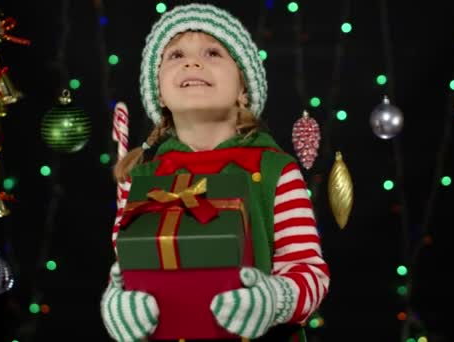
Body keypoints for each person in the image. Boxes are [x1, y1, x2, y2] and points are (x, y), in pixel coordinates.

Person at [100, 3, 330, 341]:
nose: (193, 62)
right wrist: (117, 307)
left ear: (243, 90)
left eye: (213, 52)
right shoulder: (141, 176)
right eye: (175, 55)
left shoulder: (275, 170)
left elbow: (310, 272)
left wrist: (274, 299)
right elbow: (125, 270)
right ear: (159, 92)